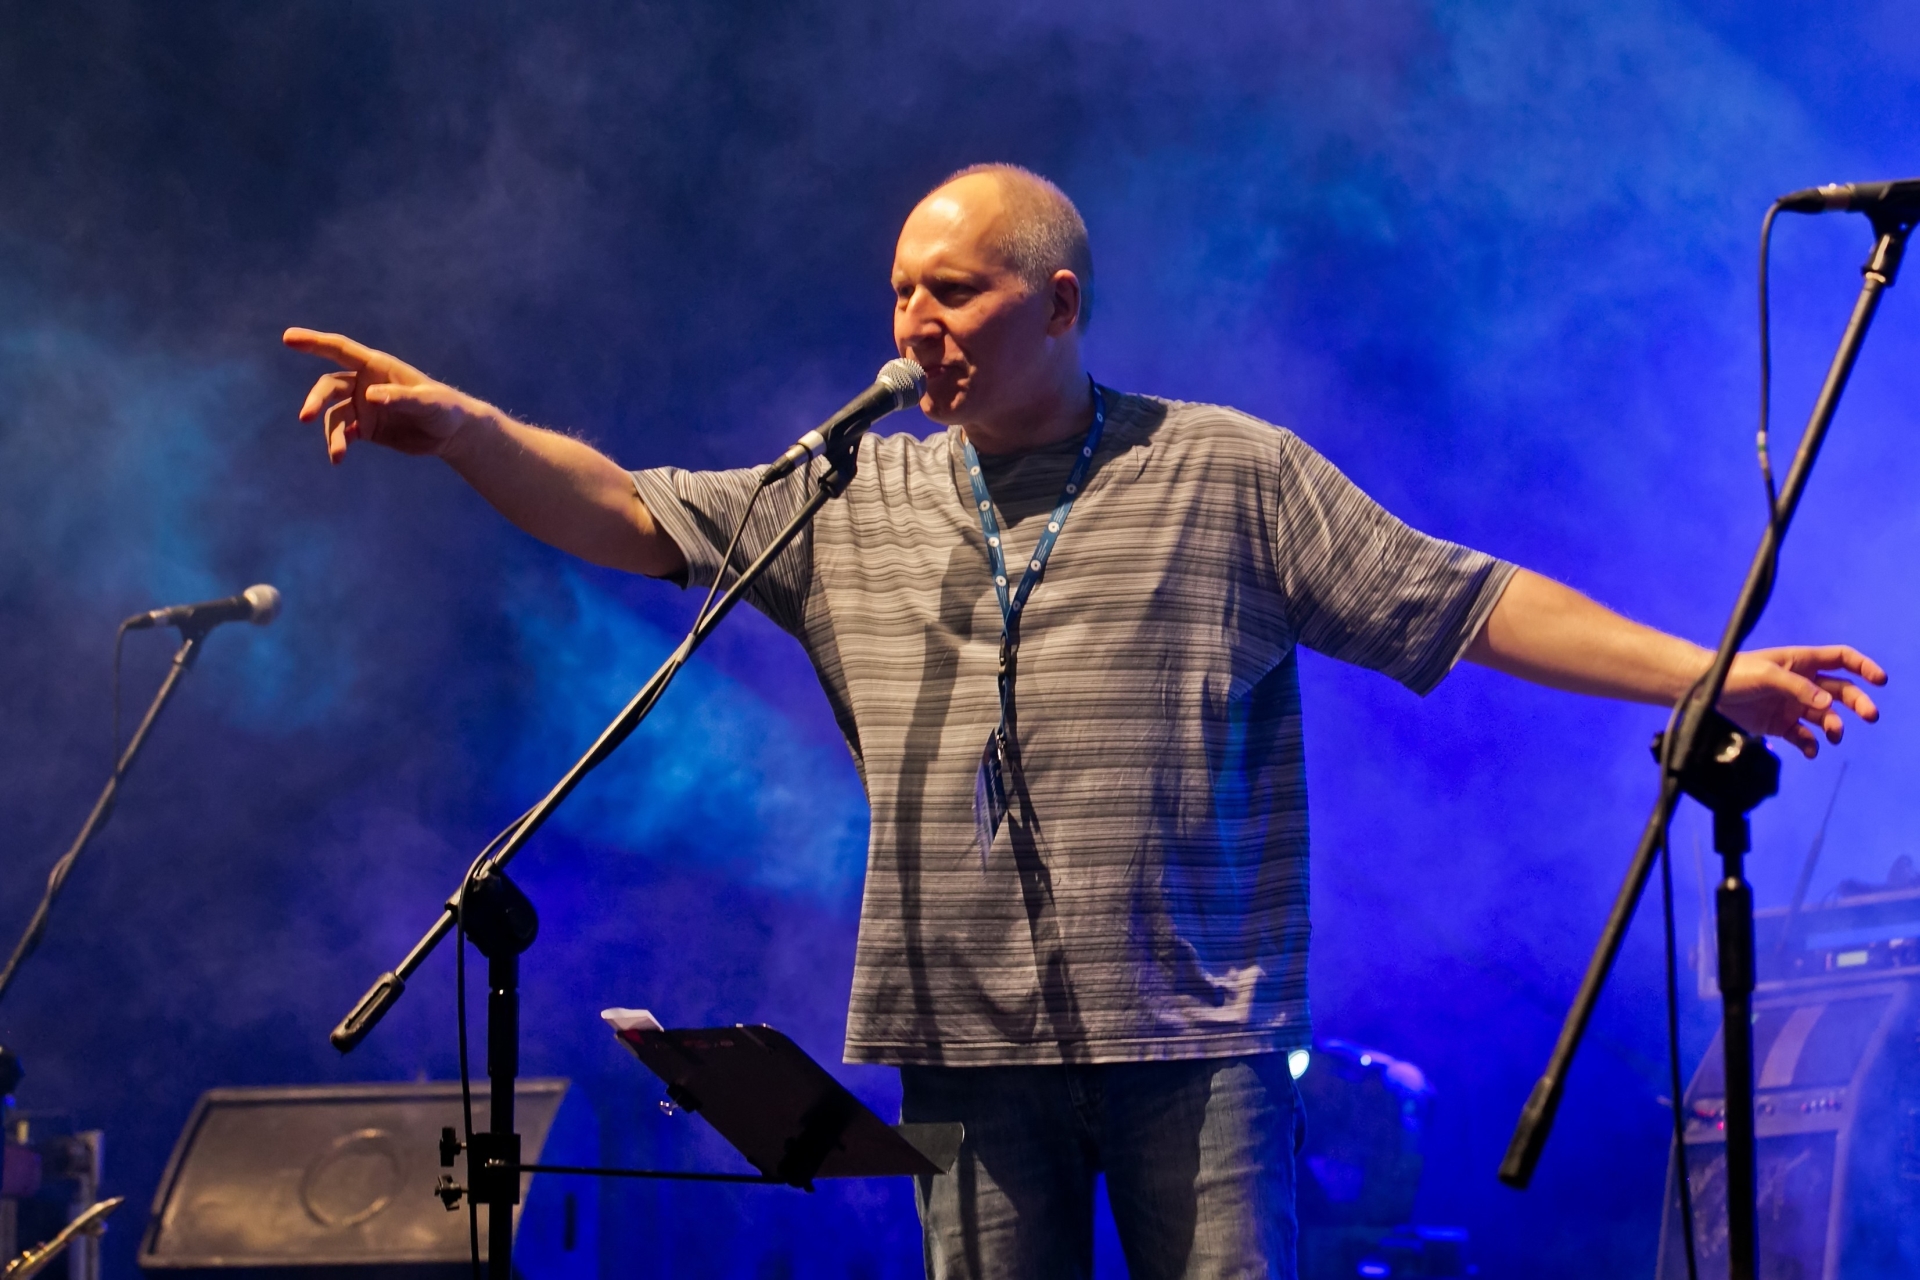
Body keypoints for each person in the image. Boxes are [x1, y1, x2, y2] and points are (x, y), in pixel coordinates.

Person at [285, 164, 1885, 1279]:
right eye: (901, 292)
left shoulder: (1226, 470)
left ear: (1057, 303)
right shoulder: (849, 494)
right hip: (964, 1043)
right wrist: (470, 428)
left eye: (955, 291)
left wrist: (1702, 669)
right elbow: (631, 511)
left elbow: (1460, 600)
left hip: (1194, 1041)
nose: (916, 322)